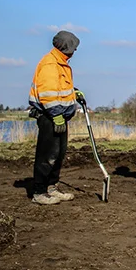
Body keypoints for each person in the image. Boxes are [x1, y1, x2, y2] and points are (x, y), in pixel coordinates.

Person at [28, 30, 81, 205]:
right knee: (47, 155)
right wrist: (56, 114)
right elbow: (48, 94)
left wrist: (74, 93)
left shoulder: (61, 63)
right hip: (50, 117)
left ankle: (52, 187)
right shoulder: (50, 64)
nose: (74, 51)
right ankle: (39, 192)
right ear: (66, 47)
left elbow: (59, 89)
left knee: (58, 154)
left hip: (60, 118)